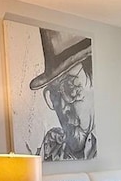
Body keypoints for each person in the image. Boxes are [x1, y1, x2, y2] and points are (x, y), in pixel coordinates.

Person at [29, 28, 97, 160]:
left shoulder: (111, 141)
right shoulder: (51, 150)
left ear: (94, 82)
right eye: (54, 95)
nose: (63, 107)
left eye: (71, 88)